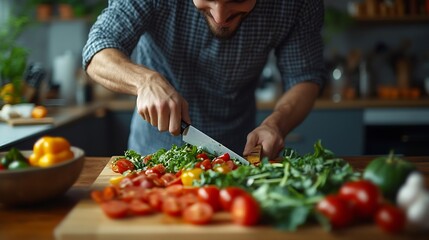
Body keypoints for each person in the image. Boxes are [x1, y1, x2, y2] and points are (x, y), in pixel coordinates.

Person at [83, 0, 326, 160]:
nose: (220, 17)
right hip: (154, 153)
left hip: (236, 152)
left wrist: (276, 124)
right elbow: (98, 49)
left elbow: (304, 77)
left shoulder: (296, 3)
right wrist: (145, 81)